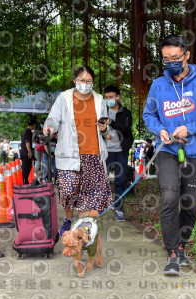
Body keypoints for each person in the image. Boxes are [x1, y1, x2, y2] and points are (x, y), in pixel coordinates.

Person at [142, 34, 196, 276]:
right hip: (167, 151)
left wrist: (191, 128)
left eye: (175, 57)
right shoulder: (159, 85)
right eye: (166, 59)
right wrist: (161, 130)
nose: (171, 63)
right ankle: (172, 253)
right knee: (169, 199)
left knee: (191, 204)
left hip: (195, 152)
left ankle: (182, 246)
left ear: (187, 55)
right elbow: (149, 115)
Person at [43, 66, 112, 237]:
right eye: (82, 80)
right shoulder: (64, 98)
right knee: (68, 192)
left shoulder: (99, 99)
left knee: (88, 199)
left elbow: (105, 128)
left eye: (89, 81)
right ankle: (68, 219)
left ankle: (81, 234)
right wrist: (50, 126)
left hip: (93, 153)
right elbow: (54, 117)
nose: (85, 84)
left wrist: (104, 128)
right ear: (75, 80)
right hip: (69, 153)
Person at [102, 85, 133, 221]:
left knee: (120, 180)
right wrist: (103, 133)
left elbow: (126, 130)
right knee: (102, 179)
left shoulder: (125, 113)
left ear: (117, 97)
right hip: (105, 151)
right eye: (106, 97)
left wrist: (111, 122)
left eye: (111, 97)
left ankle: (119, 209)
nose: (108, 99)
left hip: (120, 151)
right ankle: (100, 206)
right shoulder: (101, 111)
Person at [20, 119, 36, 184]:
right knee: (27, 166)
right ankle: (25, 180)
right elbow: (27, 142)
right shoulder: (28, 132)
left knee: (26, 166)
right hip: (26, 152)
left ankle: (25, 180)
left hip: (23, 151)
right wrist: (29, 152)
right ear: (33, 125)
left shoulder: (24, 131)